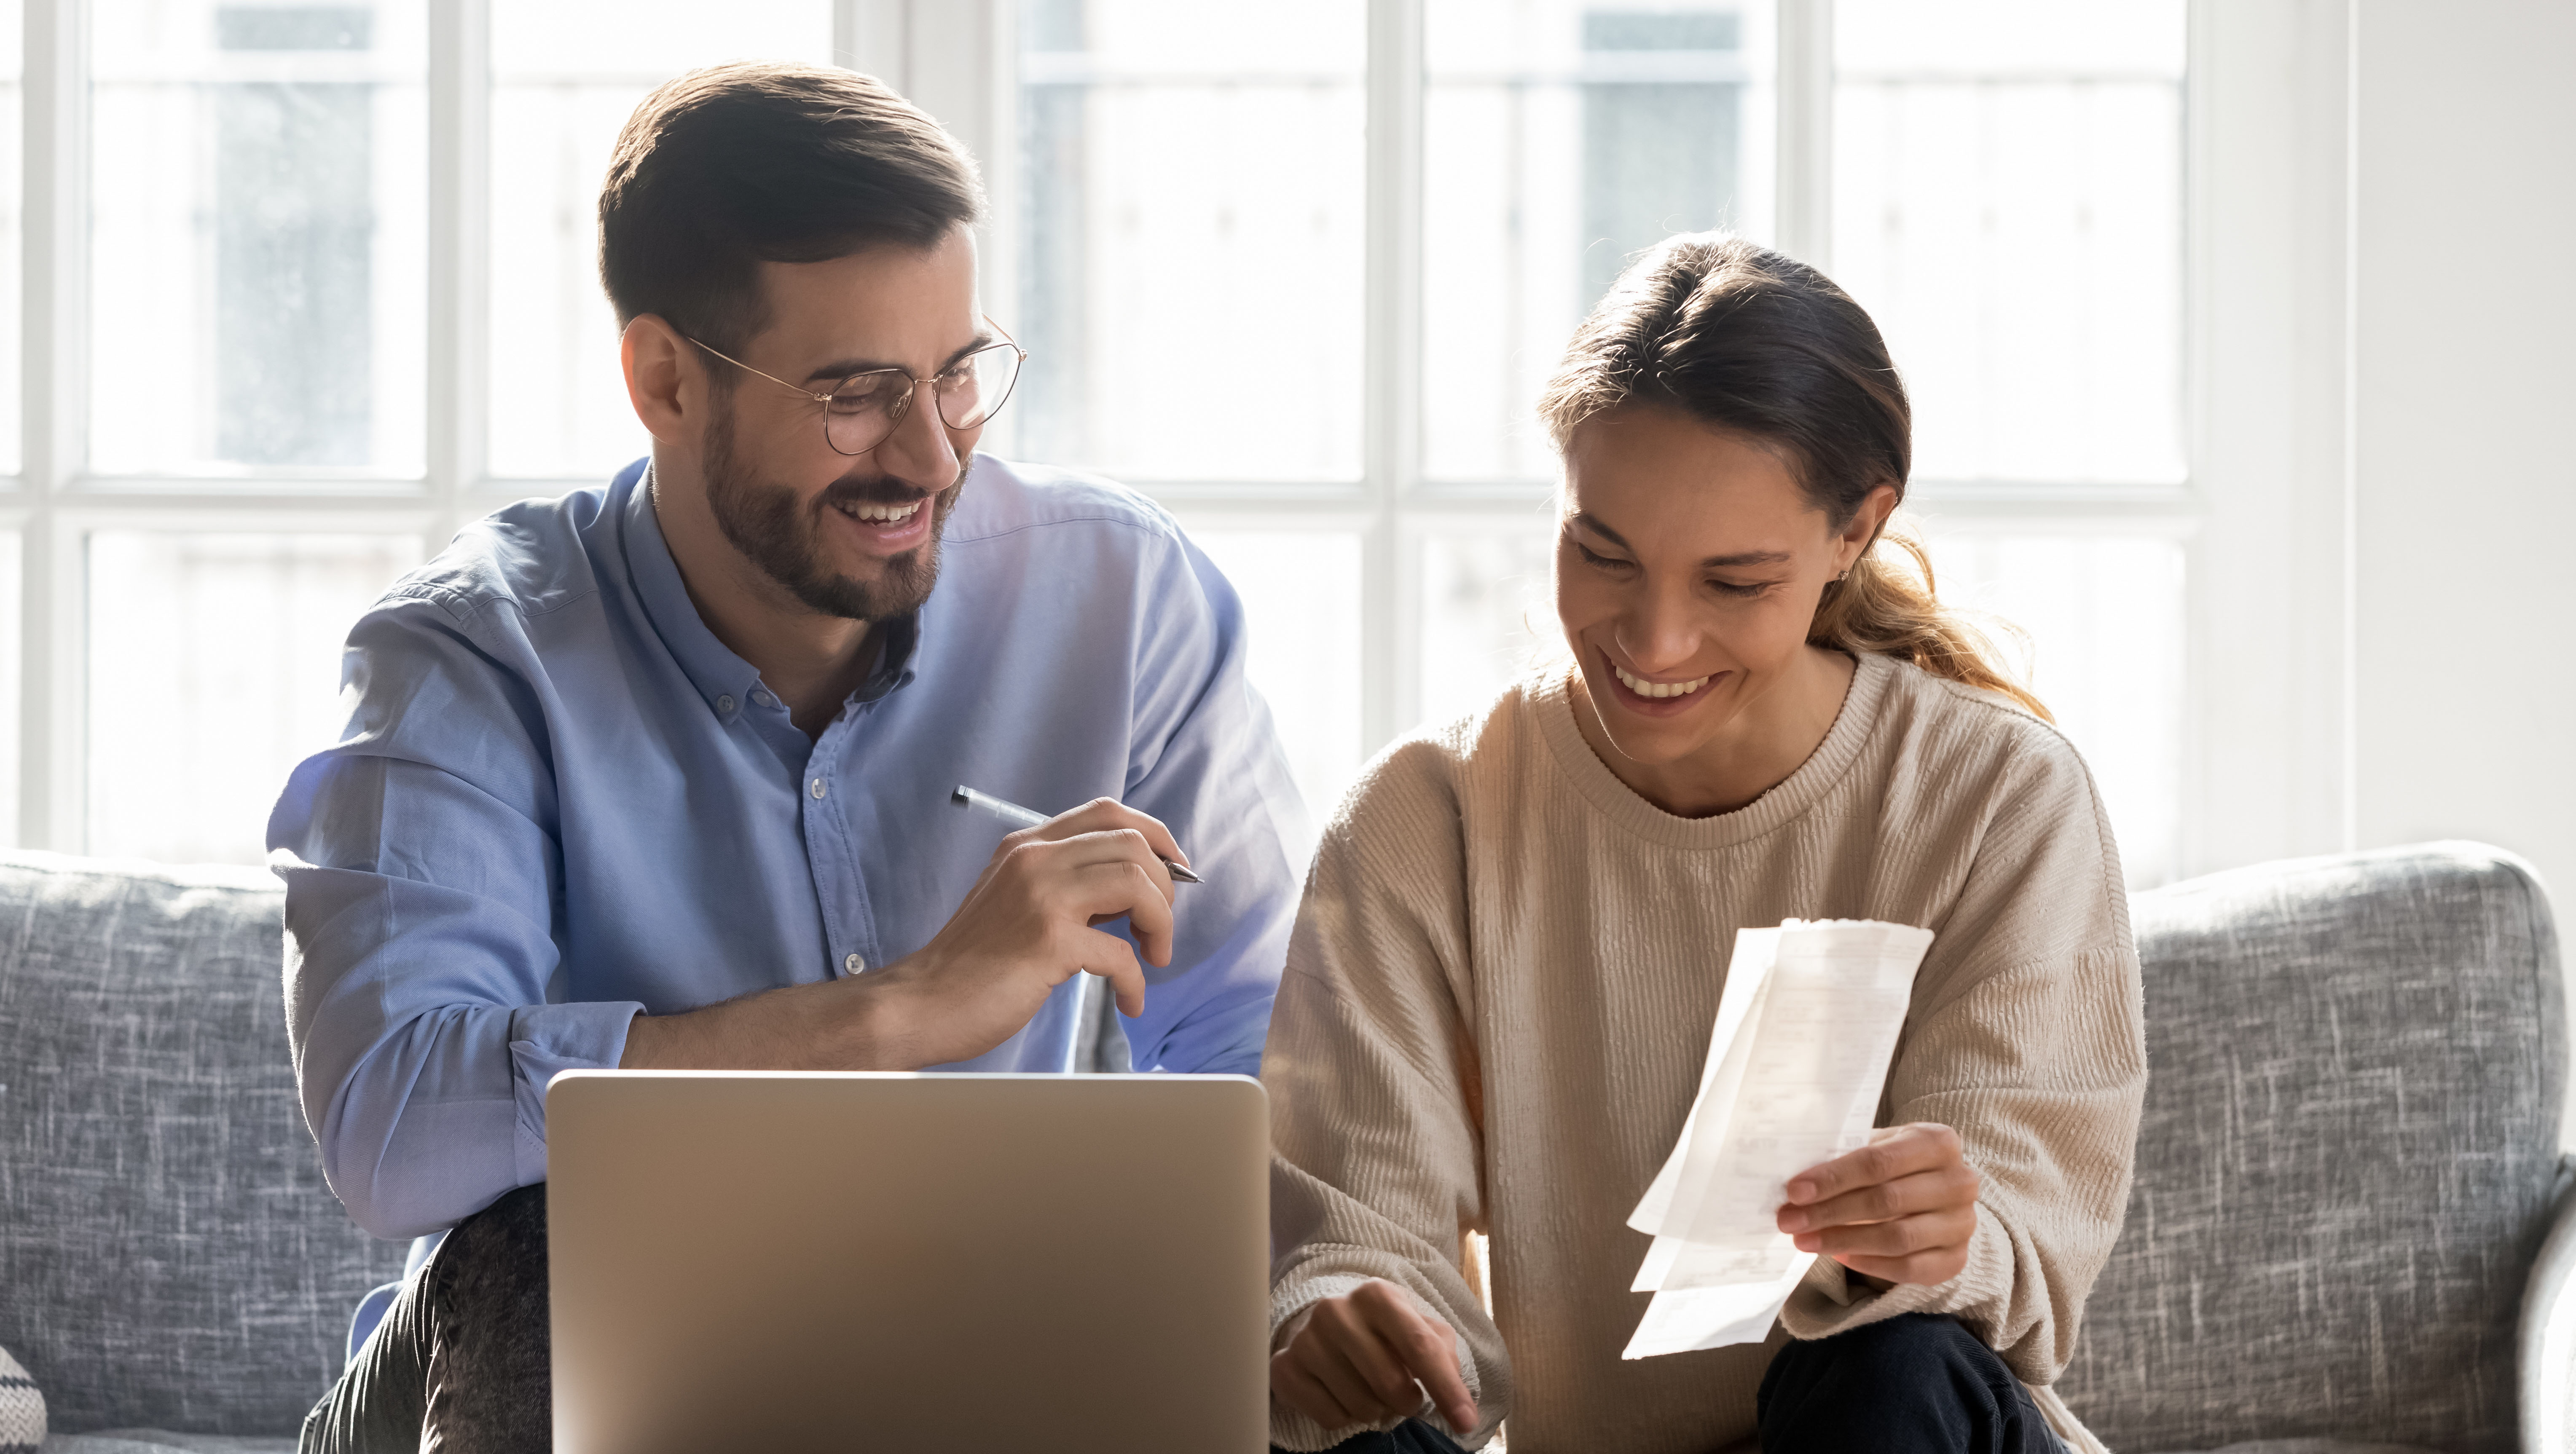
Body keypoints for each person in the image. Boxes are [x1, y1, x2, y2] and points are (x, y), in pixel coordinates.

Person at [270, 62, 1308, 1453]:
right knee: (545, 1237)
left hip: (965, 1345)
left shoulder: (1122, 600)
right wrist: (899, 1015)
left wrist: (1321, 1290)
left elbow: (1262, 1052)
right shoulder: (474, 658)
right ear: (665, 379)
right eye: (857, 392)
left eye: (957, 375)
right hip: (525, 1368)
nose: (932, 454)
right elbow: (396, 1125)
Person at [1261, 233, 2147, 1454]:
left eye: (1734, 581)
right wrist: (1339, 1320)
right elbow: (1350, 1230)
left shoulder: (1995, 797)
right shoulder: (1428, 818)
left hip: (1891, 1426)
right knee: (1333, 1434)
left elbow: (2023, 1257)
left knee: (1894, 1367)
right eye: (1601, 554)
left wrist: (1953, 1231)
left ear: (1855, 532)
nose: (1656, 641)